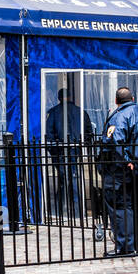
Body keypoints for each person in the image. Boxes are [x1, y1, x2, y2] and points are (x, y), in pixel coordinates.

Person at [98, 87, 138, 255]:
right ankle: (136, 242)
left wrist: (127, 160)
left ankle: (124, 246)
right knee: (135, 206)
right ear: (133, 97)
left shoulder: (118, 116)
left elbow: (115, 142)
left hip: (121, 170)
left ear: (117, 101)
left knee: (120, 206)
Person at [45, 87, 92, 218]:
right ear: (71, 97)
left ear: (59, 98)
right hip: (75, 151)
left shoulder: (53, 113)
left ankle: (61, 209)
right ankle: (75, 208)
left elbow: (49, 135)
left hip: (60, 152)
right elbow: (89, 132)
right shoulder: (80, 112)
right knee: (72, 177)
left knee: (64, 179)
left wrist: (54, 151)